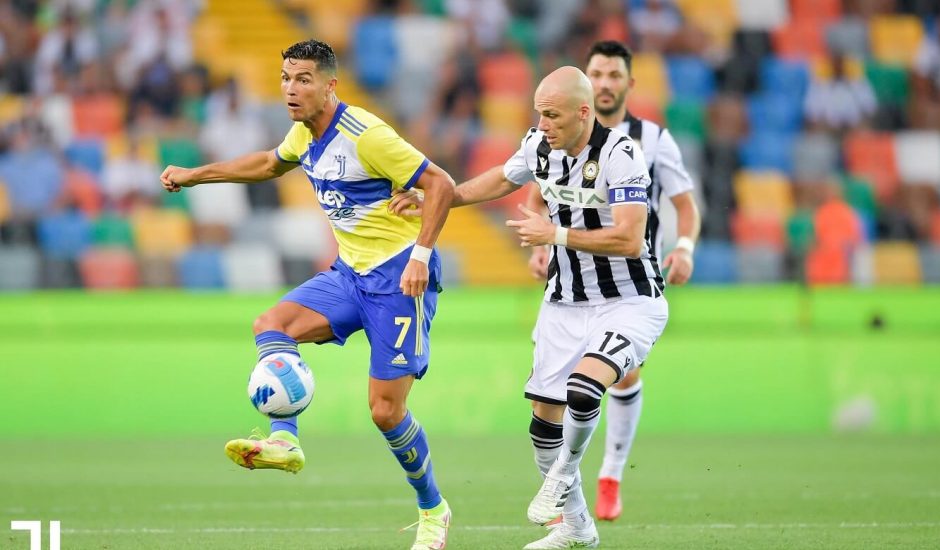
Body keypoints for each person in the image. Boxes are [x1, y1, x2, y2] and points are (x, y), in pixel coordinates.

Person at [159, 40, 455, 550]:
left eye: (303, 79)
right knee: (271, 324)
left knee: (385, 412)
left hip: (398, 278)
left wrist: (421, 257)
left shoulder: (366, 135)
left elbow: (441, 184)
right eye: (285, 78)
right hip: (349, 275)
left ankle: (433, 508)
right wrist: (196, 176)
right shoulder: (304, 133)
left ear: (329, 85)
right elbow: (269, 164)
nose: (291, 89)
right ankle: (285, 439)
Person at [391, 65, 667, 549]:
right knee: (543, 421)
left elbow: (629, 238)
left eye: (553, 116)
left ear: (584, 113)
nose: (543, 124)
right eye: (539, 114)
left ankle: (565, 470)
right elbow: (500, 180)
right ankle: (576, 529)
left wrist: (553, 234)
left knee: (584, 388)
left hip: (628, 301)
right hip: (564, 302)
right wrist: (439, 198)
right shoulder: (540, 145)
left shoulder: (621, 155)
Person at [525, 40, 700, 522]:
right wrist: (542, 247)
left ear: (629, 83)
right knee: (553, 400)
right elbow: (539, 195)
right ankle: (573, 515)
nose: (604, 83)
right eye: (597, 74)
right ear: (584, 84)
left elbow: (684, 205)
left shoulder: (651, 140)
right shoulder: (555, 136)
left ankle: (610, 474)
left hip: (629, 282)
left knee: (612, 375)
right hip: (571, 288)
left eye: (614, 75)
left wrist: (685, 247)